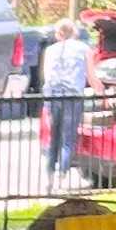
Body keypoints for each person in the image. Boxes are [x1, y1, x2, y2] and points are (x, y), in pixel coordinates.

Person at [38, 15, 91, 180]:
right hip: (73, 97)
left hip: (53, 96)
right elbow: (91, 75)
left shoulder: (50, 51)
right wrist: (101, 91)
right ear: (74, 32)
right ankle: (62, 173)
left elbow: (46, 76)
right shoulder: (84, 49)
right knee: (68, 138)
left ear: (58, 34)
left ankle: (49, 173)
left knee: (54, 136)